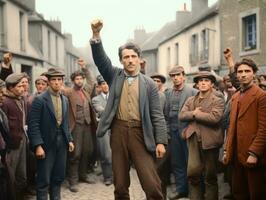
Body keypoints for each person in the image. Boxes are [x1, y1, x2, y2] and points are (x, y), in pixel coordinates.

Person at [90, 19, 167, 200]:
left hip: (141, 133)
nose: (130, 60)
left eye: (133, 56)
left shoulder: (149, 84)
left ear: (139, 59)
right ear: (121, 60)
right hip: (118, 132)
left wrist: (161, 141)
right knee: (121, 184)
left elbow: (157, 115)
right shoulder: (114, 75)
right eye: (126, 57)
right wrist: (96, 35)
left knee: (152, 184)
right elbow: (101, 60)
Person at [28, 67, 74, 200]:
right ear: (48, 82)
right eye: (53, 80)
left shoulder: (64, 99)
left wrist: (69, 139)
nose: (57, 83)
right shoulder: (40, 100)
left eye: (59, 80)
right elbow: (33, 124)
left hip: (62, 144)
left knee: (58, 178)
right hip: (46, 144)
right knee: (43, 180)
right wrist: (38, 145)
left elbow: (65, 123)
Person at [223, 58, 266, 200]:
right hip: (236, 154)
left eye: (247, 71)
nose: (243, 74)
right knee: (239, 192)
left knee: (256, 193)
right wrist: (226, 150)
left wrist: (254, 153)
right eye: (240, 71)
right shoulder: (235, 96)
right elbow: (231, 127)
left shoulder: (261, 96)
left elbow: (264, 128)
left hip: (253, 155)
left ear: (254, 74)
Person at [179, 71, 225, 200]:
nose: (203, 83)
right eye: (200, 81)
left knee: (210, 176)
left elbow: (215, 118)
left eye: (206, 81)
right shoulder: (191, 100)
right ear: (197, 84)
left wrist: (197, 115)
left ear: (211, 84)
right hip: (193, 140)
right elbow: (182, 115)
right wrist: (193, 112)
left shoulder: (217, 99)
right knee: (193, 173)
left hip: (210, 141)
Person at [63, 59, 97, 192]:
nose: (79, 81)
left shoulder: (86, 91)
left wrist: (84, 67)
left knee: (87, 151)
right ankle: (73, 181)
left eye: (81, 78)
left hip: (87, 125)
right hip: (75, 126)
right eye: (77, 79)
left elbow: (92, 81)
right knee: (75, 154)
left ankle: (83, 175)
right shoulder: (69, 92)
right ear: (73, 81)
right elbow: (59, 88)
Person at [164, 66, 197, 199]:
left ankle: (194, 191)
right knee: (177, 162)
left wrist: (191, 129)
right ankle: (181, 189)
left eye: (178, 75)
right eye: (173, 76)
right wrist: (167, 131)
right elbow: (165, 114)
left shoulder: (193, 92)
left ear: (183, 76)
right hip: (173, 132)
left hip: (187, 132)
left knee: (192, 162)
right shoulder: (168, 93)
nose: (176, 78)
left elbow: (198, 113)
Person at [1, 73, 28, 200]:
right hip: (11, 145)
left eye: (23, 86)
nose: (22, 89)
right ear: (10, 88)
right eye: (19, 86)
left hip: (22, 141)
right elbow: (4, 126)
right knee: (10, 176)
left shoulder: (20, 100)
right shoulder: (5, 102)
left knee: (21, 175)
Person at [92, 75, 113, 186]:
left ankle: (117, 176)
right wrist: (113, 112)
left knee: (117, 154)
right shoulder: (96, 99)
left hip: (115, 128)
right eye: (103, 84)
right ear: (100, 86)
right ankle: (108, 177)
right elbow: (100, 110)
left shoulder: (115, 97)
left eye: (107, 83)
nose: (106, 86)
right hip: (103, 130)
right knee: (105, 155)